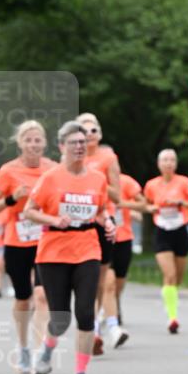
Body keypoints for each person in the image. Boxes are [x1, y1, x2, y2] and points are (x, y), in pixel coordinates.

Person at [23, 120, 113, 374]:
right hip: (53, 252)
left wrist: (107, 222)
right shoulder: (50, 177)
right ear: (62, 146)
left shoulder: (97, 178)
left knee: (85, 312)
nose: (79, 147)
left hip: (87, 249)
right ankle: (47, 350)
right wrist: (53, 218)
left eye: (83, 143)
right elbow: (29, 210)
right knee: (60, 319)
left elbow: (101, 209)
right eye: (73, 143)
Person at [0, 120, 54, 374]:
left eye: (37, 140)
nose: (33, 144)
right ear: (20, 143)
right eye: (28, 140)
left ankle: (39, 353)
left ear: (45, 143)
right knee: (23, 298)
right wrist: (12, 198)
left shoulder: (52, 170)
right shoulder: (7, 171)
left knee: (42, 296)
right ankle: (23, 347)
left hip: (46, 241)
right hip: (16, 242)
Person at [143, 149, 188, 333]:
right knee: (169, 275)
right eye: (165, 160)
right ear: (159, 164)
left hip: (180, 231)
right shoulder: (152, 185)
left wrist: (181, 202)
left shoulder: (184, 182)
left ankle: (168, 297)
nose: (168, 163)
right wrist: (152, 207)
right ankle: (172, 318)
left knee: (177, 278)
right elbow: (145, 204)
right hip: (162, 232)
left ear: (175, 164)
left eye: (171, 160)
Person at [75, 112, 121, 355]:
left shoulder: (107, 157)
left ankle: (94, 326)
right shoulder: (72, 157)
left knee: (100, 280)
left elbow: (118, 195)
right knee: (85, 277)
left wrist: (97, 182)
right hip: (78, 222)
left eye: (94, 129)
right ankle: (90, 326)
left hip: (103, 220)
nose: (89, 133)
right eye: (84, 129)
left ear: (100, 134)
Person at [102, 170, 146, 347]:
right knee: (108, 282)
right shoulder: (93, 180)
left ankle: (111, 305)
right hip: (103, 238)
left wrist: (124, 205)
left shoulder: (126, 182)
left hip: (124, 238)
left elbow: (142, 205)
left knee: (118, 283)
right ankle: (110, 324)